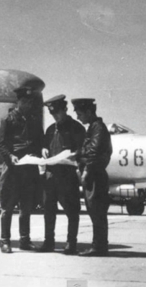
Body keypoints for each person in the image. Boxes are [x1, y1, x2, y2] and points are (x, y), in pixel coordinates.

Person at [0, 85, 44, 253]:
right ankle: (5, 241)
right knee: (7, 207)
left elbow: (39, 142)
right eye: (24, 101)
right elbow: (1, 145)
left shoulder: (33, 120)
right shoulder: (8, 120)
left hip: (28, 169)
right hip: (12, 169)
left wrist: (41, 151)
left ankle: (25, 240)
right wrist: (10, 156)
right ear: (18, 102)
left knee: (26, 208)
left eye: (29, 102)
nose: (27, 105)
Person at [38, 95, 86, 255]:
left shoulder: (77, 128)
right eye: (52, 114)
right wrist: (43, 149)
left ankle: (71, 244)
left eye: (57, 113)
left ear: (65, 110)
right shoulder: (51, 129)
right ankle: (48, 242)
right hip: (51, 176)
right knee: (48, 212)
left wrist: (75, 155)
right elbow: (45, 146)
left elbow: (83, 150)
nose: (55, 116)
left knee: (72, 212)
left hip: (67, 176)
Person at [71, 98, 113, 257]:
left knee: (97, 212)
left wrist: (86, 171)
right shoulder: (95, 128)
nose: (78, 117)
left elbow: (94, 152)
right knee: (96, 212)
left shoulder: (98, 128)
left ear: (89, 112)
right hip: (94, 174)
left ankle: (99, 247)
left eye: (80, 113)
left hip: (94, 176)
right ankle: (99, 246)